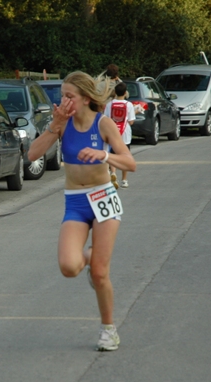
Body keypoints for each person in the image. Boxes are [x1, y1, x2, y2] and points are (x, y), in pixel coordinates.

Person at [28, 71, 136, 351]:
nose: (62, 101)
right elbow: (32, 155)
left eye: (68, 96)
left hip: (103, 198)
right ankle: (89, 254)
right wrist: (55, 124)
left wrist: (104, 154)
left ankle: (108, 329)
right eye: (61, 95)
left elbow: (129, 163)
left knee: (100, 273)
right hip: (75, 201)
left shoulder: (103, 123)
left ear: (86, 99)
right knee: (69, 267)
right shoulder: (62, 125)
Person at [104, 82, 135, 188]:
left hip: (113, 132)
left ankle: (113, 173)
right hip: (125, 133)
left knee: (113, 154)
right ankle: (124, 180)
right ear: (125, 93)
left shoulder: (109, 104)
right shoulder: (129, 105)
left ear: (115, 92)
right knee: (125, 155)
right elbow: (131, 122)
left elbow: (106, 119)